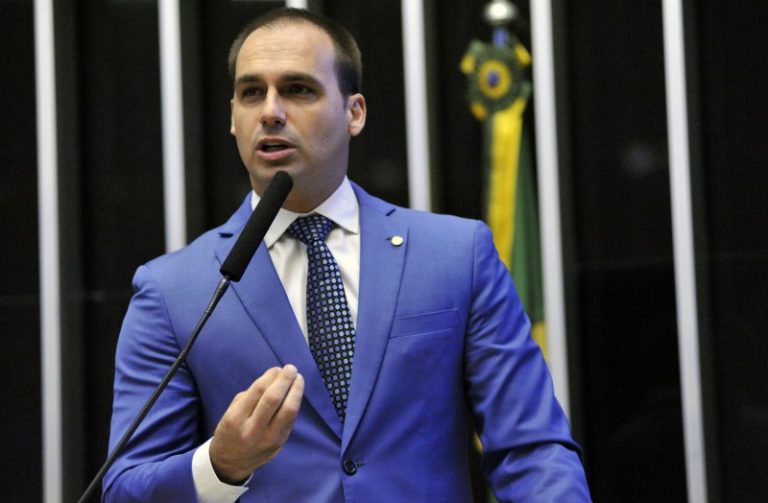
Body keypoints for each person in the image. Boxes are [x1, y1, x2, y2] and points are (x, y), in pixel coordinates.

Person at [103, 7, 591, 502]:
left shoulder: (456, 255)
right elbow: (125, 488)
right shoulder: (172, 290)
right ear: (233, 117)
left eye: (298, 89)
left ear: (354, 112)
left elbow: (531, 449)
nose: (270, 112)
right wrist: (220, 465)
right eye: (251, 93)